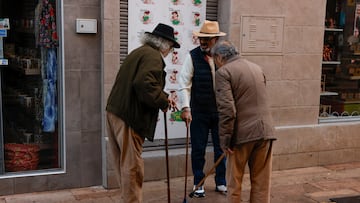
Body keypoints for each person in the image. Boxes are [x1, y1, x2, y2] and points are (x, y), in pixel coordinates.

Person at [105, 23, 180, 203]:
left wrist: (163, 98)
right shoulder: (153, 56)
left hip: (116, 112)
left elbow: (142, 83)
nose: (170, 52)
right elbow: (144, 84)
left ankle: (127, 199)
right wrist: (163, 100)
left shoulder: (140, 52)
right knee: (132, 167)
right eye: (171, 47)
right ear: (164, 43)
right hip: (129, 117)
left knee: (123, 164)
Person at [211, 40, 276, 203]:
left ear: (219, 57)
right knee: (261, 184)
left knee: (234, 184)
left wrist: (225, 141)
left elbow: (227, 110)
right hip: (265, 131)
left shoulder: (223, 72)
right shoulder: (256, 68)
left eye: (214, 60)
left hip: (241, 135)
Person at [177, 20, 227, 198]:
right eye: (201, 38)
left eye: (207, 39)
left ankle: (221, 181)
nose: (203, 42)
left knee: (221, 149)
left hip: (220, 112)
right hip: (199, 111)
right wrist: (185, 107)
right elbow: (184, 83)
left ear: (215, 39)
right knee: (198, 149)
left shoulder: (223, 56)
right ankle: (198, 183)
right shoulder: (193, 56)